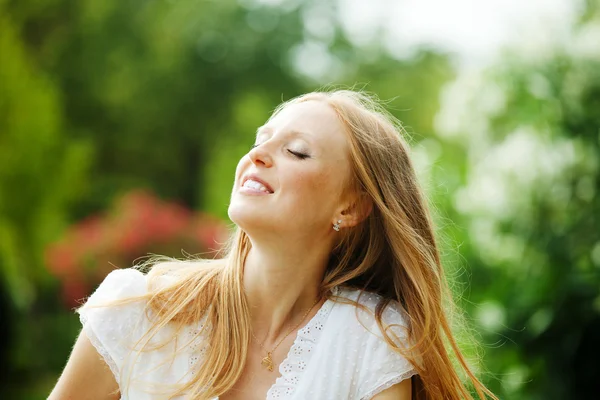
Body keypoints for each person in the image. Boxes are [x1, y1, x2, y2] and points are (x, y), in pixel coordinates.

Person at [49, 90, 497, 400]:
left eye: (296, 151)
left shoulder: (371, 340)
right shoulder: (140, 310)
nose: (257, 155)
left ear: (351, 207)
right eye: (261, 140)